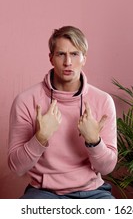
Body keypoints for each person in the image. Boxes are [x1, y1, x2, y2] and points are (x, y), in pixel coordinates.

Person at [8, 26, 118, 199]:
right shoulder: (26, 101)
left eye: (74, 54)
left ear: (84, 59)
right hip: (43, 193)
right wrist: (40, 137)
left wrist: (94, 141)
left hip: (93, 193)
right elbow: (17, 167)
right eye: (61, 54)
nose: (68, 62)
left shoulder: (102, 101)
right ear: (51, 58)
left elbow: (107, 168)